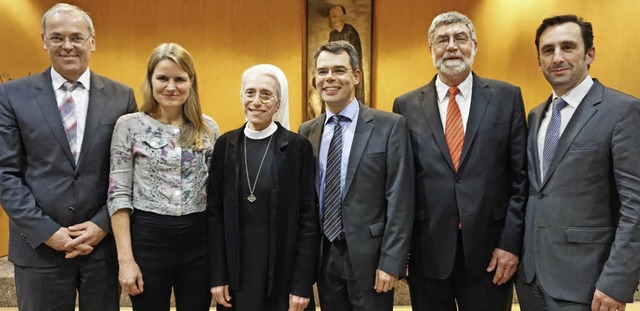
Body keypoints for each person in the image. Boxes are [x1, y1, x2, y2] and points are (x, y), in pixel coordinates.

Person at [0, 3, 137, 311]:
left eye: (76, 37)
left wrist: (102, 225)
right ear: (44, 40)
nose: (67, 45)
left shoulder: (121, 97)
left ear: (92, 41)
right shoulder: (11, 96)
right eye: (57, 37)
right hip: (38, 249)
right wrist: (48, 232)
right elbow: (5, 173)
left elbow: (129, 172)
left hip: (101, 247)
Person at [392, 11, 528, 311]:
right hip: (427, 254)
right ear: (431, 50)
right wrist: (401, 252)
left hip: (491, 254)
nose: (451, 46)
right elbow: (402, 186)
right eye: (442, 40)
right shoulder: (406, 105)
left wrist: (510, 245)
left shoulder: (507, 98)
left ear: (475, 46)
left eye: (460, 38)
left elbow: (521, 181)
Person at [516, 14, 640, 310]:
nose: (557, 57)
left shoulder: (622, 111)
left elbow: (636, 205)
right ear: (539, 60)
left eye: (568, 47)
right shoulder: (535, 116)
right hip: (531, 280)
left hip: (589, 283)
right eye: (548, 50)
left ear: (590, 54)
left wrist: (616, 282)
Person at [299, 40, 414, 311]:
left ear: (356, 76)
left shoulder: (389, 126)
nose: (329, 78)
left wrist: (391, 262)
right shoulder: (306, 131)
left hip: (372, 260)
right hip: (324, 257)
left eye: (339, 70)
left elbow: (400, 199)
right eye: (322, 71)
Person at [108, 42, 219, 310]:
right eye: (163, 78)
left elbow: (217, 196)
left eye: (180, 79)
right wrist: (126, 260)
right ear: (150, 80)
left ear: (191, 82)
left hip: (198, 242)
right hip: (148, 239)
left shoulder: (208, 128)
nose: (171, 87)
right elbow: (118, 194)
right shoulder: (129, 126)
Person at [208, 64, 318, 311]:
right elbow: (214, 216)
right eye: (250, 93)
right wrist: (217, 276)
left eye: (266, 94)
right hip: (236, 277)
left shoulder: (297, 148)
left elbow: (309, 220)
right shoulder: (225, 145)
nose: (256, 101)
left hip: (283, 275)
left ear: (279, 102)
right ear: (241, 97)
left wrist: (301, 284)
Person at [327, 5, 365, 105]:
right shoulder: (333, 34)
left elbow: (351, 60)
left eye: (335, 17)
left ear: (342, 17)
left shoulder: (350, 33)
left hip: (346, 78)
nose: (332, 20)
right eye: (331, 17)